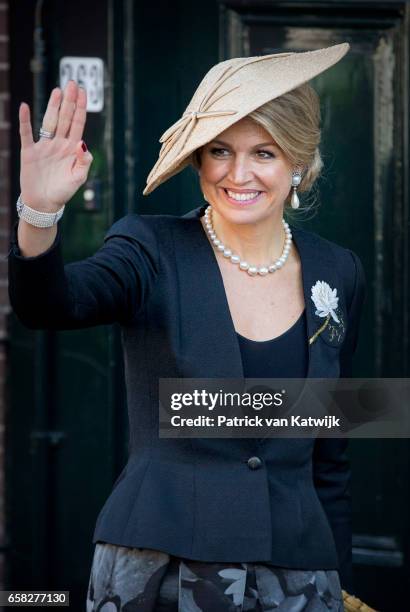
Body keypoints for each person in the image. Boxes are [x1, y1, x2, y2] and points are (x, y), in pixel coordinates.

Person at [8, 43, 371, 611]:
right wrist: (39, 213)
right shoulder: (149, 249)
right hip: (161, 571)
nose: (239, 173)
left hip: (300, 578)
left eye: (265, 152)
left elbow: (330, 451)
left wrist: (341, 581)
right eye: (220, 150)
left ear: (299, 161)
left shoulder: (338, 272)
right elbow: (50, 305)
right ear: (199, 160)